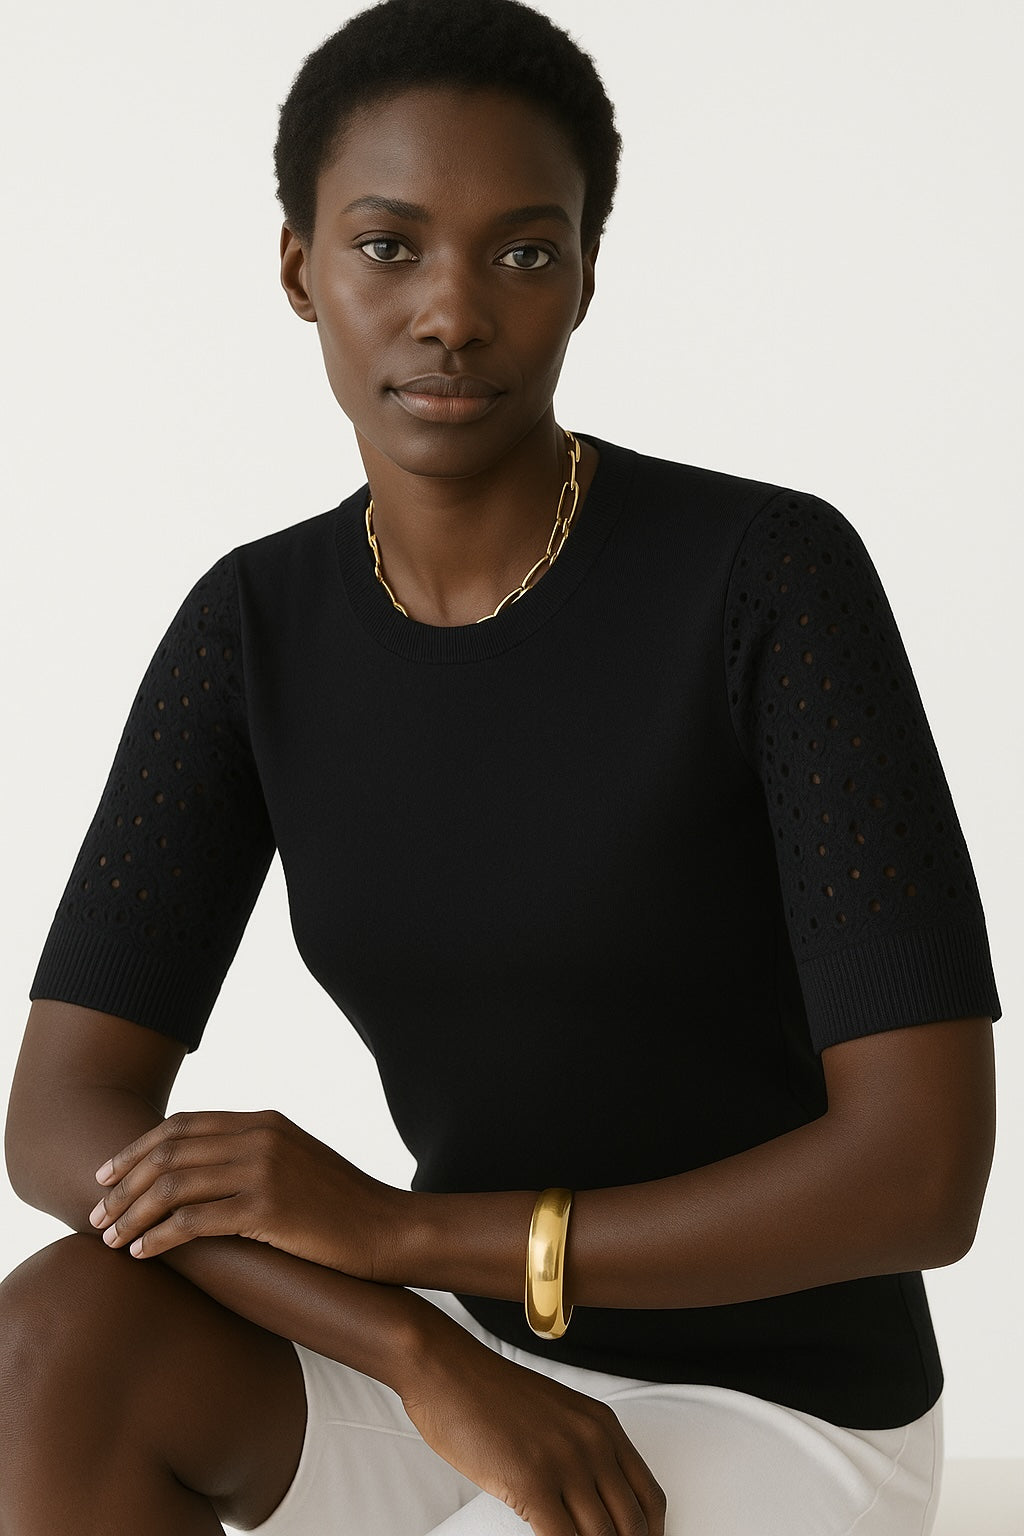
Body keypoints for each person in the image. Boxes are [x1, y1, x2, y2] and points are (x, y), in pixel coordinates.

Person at [0, 1, 1002, 1532]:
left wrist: (409, 1238)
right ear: (300, 267)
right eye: (388, 246)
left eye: (523, 252)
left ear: (589, 271)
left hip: (786, 1401)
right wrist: (416, 1345)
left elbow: (921, 1177)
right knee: (48, 1343)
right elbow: (62, 1118)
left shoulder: (767, 582)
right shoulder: (252, 629)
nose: (452, 313)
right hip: (463, 1353)